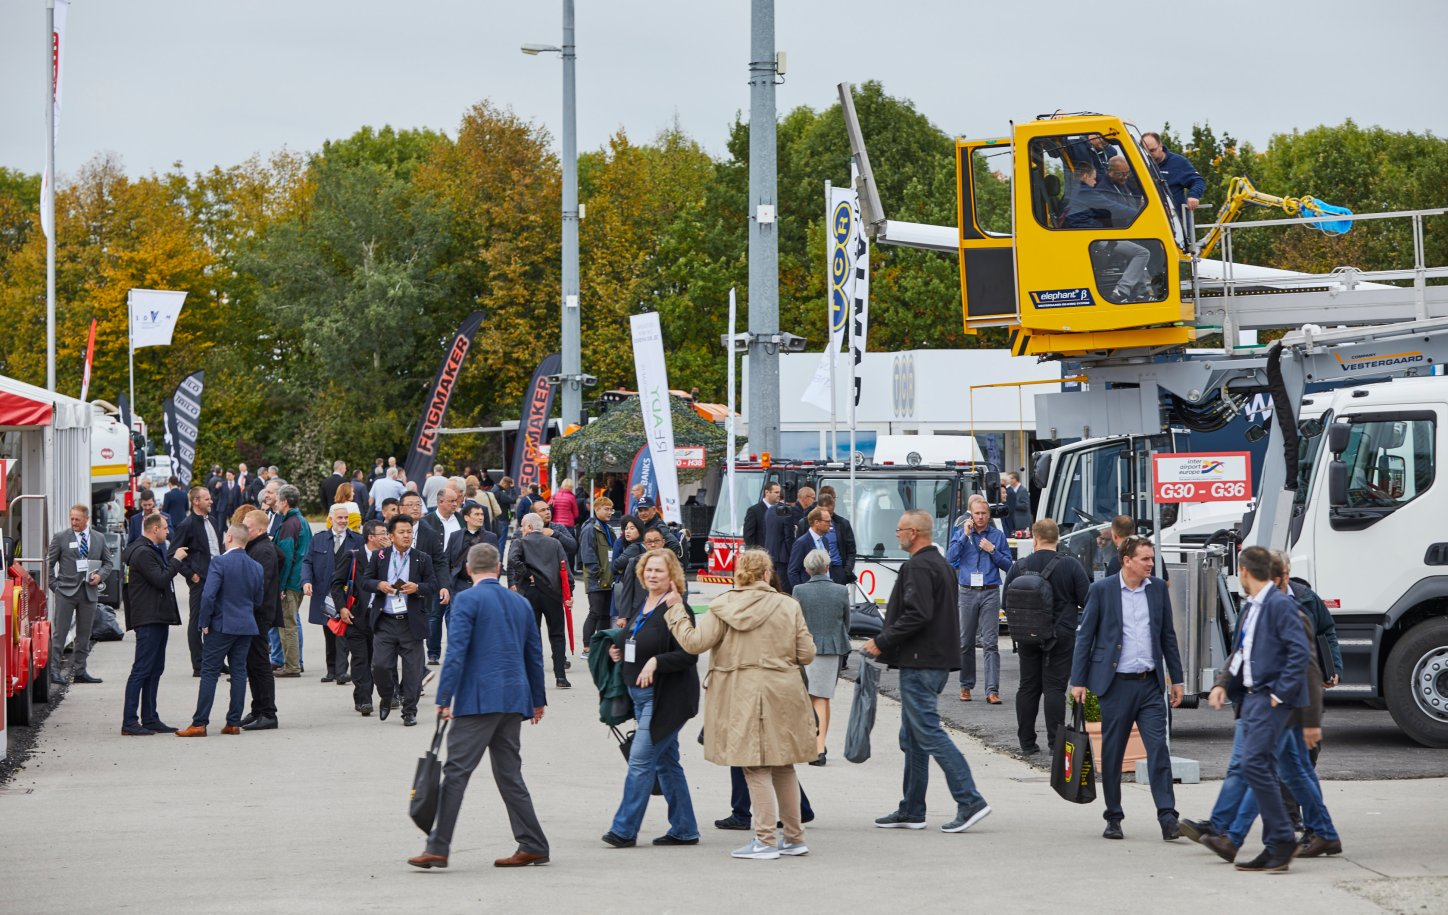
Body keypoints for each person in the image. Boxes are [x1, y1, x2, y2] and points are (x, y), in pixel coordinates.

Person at [665, 548, 816, 859]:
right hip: (783, 688)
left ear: (739, 574)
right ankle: (794, 836)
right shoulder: (788, 606)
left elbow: (694, 643)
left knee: (755, 765)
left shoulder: (722, 606)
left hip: (742, 689)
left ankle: (764, 840)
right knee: (783, 763)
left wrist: (677, 611)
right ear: (765, 574)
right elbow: (807, 654)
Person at [408, 544, 550, 871]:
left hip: (478, 700)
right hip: (514, 699)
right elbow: (534, 653)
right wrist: (538, 699)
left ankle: (438, 847)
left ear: (469, 570)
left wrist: (445, 697)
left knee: (456, 773)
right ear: (499, 567)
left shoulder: (467, 600)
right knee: (509, 774)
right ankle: (533, 843)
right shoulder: (519, 602)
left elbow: (456, 651)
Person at [862, 510, 993, 834]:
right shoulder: (941, 565)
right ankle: (912, 808)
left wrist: (882, 640)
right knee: (913, 736)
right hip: (933, 661)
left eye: (900, 529)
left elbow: (917, 614)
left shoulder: (919, 566)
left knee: (929, 732)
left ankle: (970, 800)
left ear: (914, 532)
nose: (896, 534)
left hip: (921, 663)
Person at [1200, 545, 1310, 871]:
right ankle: (1277, 842)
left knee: (1255, 765)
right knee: (1257, 766)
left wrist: (1280, 692)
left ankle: (1281, 839)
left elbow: (1299, 650)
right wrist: (1222, 684)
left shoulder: (1278, 604)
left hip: (1268, 697)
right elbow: (1243, 652)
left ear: (1245, 571)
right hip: (1252, 696)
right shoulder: (1255, 606)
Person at [1070, 535, 1184, 841]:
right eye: (1145, 559)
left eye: (1152, 558)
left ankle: (1167, 816)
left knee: (1158, 749)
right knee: (1113, 752)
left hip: (1149, 685)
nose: (1151, 564)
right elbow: (1085, 638)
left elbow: (1167, 636)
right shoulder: (1102, 591)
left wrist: (1178, 679)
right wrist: (1078, 681)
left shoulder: (1157, 589)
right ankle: (1114, 816)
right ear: (1127, 561)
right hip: (1115, 686)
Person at [600, 548, 700, 848]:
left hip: (666, 699)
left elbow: (688, 653)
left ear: (672, 576)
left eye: (659, 571)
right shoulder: (645, 602)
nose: (652, 575)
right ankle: (685, 829)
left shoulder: (676, 606)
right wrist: (618, 650)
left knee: (640, 761)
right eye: (649, 570)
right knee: (667, 764)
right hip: (641, 697)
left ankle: (624, 830)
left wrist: (656, 662)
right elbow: (637, 638)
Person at [1002, 518, 1090, 755]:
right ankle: (1055, 743)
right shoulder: (1071, 565)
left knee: (1028, 687)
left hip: (1026, 636)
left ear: (1035, 538)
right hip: (1060, 636)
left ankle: (1027, 743)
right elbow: (1087, 600)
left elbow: (1005, 603)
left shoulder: (1018, 567)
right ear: (1057, 539)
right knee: (1055, 689)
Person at [177, 524, 265, 737]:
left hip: (222, 624)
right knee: (238, 672)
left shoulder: (219, 562)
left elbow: (208, 595)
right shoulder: (256, 566)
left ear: (229, 537)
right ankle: (233, 722)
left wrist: (204, 621)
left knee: (209, 672)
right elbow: (258, 599)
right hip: (245, 624)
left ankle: (200, 722)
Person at [363, 514, 437, 726]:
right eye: (402, 532)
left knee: (413, 671)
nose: (406, 536)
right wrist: (380, 585)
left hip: (410, 622)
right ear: (391, 535)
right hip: (385, 620)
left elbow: (432, 584)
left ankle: (409, 711)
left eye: (409, 532)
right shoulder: (379, 557)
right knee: (380, 666)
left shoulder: (422, 558)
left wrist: (417, 587)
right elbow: (365, 581)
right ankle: (387, 696)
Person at [119, 511, 187, 735]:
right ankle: (130, 721)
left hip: (157, 615)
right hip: (148, 617)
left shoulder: (150, 550)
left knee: (155, 669)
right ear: (154, 529)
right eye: (165, 528)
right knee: (142, 669)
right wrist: (176, 559)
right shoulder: (142, 553)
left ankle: (150, 717)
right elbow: (160, 579)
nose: (168, 532)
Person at [946, 495, 1013, 704]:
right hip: (967, 591)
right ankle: (966, 685)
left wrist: (992, 550)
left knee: (990, 643)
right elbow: (950, 558)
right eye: (977, 513)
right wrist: (964, 536)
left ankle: (992, 690)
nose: (981, 517)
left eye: (984, 513)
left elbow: (1009, 565)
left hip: (990, 591)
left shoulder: (998, 536)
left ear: (989, 515)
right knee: (965, 642)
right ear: (970, 515)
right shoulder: (961, 533)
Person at [793, 549, 851, 766]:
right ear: (827, 568)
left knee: (815, 696)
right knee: (822, 697)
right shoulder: (840, 590)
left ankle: (817, 747)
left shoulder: (799, 590)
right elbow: (847, 623)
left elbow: (795, 623)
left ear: (807, 569)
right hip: (832, 648)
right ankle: (819, 746)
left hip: (805, 648)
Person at [332, 518, 389, 716]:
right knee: (360, 658)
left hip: (382, 616)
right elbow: (337, 583)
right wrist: (341, 608)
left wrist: (389, 554)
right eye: (383, 533)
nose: (386, 537)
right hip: (356, 616)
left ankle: (390, 694)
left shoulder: (388, 556)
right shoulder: (352, 556)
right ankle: (364, 699)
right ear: (371, 537)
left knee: (380, 659)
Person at [509, 514, 572, 689]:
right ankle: (560, 676)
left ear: (529, 526)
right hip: (553, 592)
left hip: (530, 592)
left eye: (522, 525)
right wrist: (569, 593)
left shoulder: (520, 542)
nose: (521, 529)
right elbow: (565, 568)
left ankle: (532, 676)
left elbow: (513, 561)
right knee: (557, 634)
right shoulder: (555, 543)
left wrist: (528, 574)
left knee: (532, 634)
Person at [304, 504, 363, 684]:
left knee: (344, 632)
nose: (343, 521)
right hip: (324, 593)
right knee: (329, 630)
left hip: (348, 594)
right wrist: (306, 581)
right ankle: (332, 670)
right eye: (340, 518)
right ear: (331, 519)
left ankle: (342, 671)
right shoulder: (319, 539)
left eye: (346, 518)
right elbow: (307, 562)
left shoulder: (357, 540)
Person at [170, 487, 222, 679]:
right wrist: (191, 575)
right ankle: (198, 665)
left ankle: (215, 660)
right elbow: (172, 554)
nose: (211, 501)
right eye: (207, 499)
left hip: (218, 578)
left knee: (217, 620)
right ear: (196, 502)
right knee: (198, 621)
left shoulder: (213, 521)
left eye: (210, 498)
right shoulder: (187, 524)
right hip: (201, 580)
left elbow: (217, 547)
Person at [239, 510, 283, 731]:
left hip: (258, 614)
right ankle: (258, 709)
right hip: (255, 613)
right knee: (253, 664)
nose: (243, 530)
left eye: (247, 526)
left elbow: (260, 583)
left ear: (259, 529)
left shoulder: (263, 550)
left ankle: (268, 712)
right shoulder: (258, 546)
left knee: (260, 665)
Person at [416, 485, 464, 665]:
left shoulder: (460, 519)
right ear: (440, 501)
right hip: (435, 574)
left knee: (456, 614)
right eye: (452, 501)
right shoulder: (427, 521)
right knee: (435, 614)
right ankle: (433, 652)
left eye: (456, 501)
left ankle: (455, 651)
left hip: (458, 574)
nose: (455, 504)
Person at [273, 485, 311, 677]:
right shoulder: (302, 521)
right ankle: (293, 663)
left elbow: (286, 558)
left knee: (288, 625)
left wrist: (280, 585)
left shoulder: (289, 524)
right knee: (291, 623)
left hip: (291, 581)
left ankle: (292, 666)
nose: (277, 504)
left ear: (285, 502)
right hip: (300, 579)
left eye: (279, 500)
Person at [578, 496, 617, 655]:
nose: (610, 512)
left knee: (606, 614)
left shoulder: (609, 529)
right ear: (597, 509)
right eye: (606, 509)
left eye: (611, 509)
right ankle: (587, 647)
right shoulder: (590, 529)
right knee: (595, 612)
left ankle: (602, 644)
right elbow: (587, 555)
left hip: (608, 578)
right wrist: (597, 575)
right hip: (597, 579)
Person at [1140, 131, 1205, 214]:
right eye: (1146, 152)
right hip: (1151, 218)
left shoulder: (1178, 162)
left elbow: (1198, 181)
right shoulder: (1141, 164)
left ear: (1160, 146)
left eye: (1152, 150)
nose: (1149, 154)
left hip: (1176, 220)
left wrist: (1193, 195)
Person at [787, 507, 847, 588]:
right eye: (827, 521)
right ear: (817, 522)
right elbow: (792, 572)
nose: (831, 524)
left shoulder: (825, 540)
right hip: (809, 592)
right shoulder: (801, 543)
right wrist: (802, 592)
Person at [453, 503, 499, 594]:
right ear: (466, 518)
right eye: (476, 514)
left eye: (482, 514)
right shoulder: (455, 536)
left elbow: (496, 562)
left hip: (483, 585)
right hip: (459, 585)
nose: (481, 517)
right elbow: (448, 560)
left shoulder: (491, 537)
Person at [815, 492, 857, 582]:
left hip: (837, 570)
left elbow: (851, 550)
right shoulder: (806, 524)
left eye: (831, 513)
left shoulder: (843, 524)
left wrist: (846, 572)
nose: (829, 516)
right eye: (825, 512)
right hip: (815, 571)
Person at [532, 500, 579, 566]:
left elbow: (573, 546)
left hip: (555, 571)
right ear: (534, 514)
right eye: (543, 510)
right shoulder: (526, 529)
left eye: (548, 509)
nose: (548, 512)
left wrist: (554, 533)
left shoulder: (558, 527)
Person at [742, 482, 780, 549]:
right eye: (776, 492)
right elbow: (748, 536)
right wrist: (756, 553)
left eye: (779, 492)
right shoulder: (754, 510)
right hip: (761, 554)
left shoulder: (781, 510)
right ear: (767, 492)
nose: (779, 495)